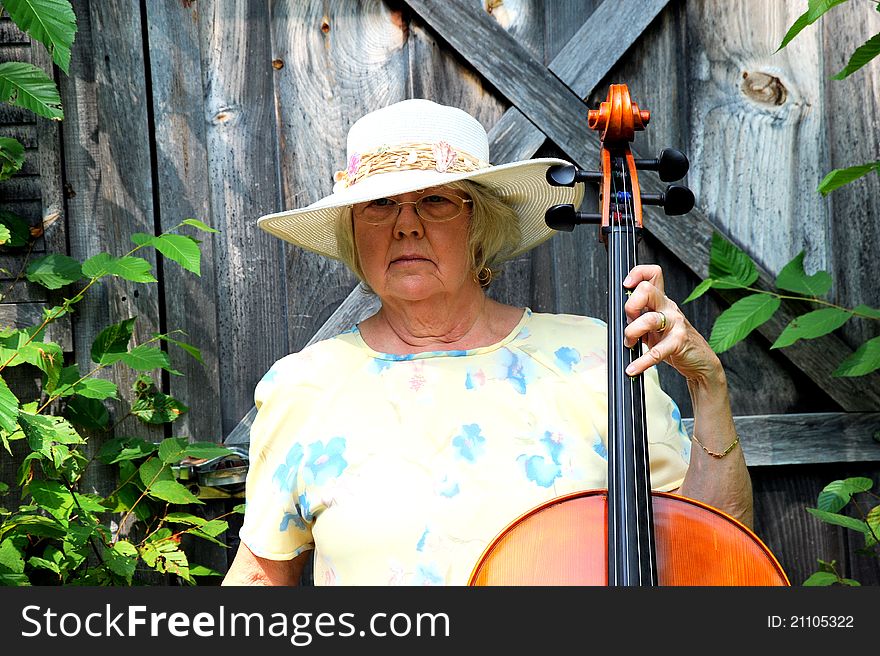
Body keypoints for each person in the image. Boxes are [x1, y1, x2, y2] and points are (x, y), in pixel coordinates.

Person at [221, 98, 751, 586]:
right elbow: (260, 579)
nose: (406, 225)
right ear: (354, 230)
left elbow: (712, 560)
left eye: (434, 201)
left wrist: (710, 387)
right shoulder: (306, 386)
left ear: (481, 222)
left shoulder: (597, 358)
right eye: (379, 204)